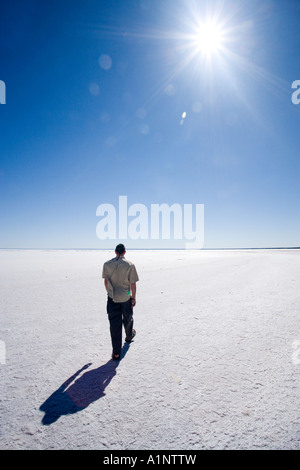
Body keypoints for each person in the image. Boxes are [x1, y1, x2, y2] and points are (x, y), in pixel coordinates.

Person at [102, 244, 139, 360]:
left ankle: (116, 353)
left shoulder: (107, 264)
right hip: (126, 295)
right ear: (125, 252)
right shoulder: (130, 265)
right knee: (128, 317)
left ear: (115, 251)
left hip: (112, 297)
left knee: (114, 325)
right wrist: (133, 297)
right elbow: (132, 284)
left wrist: (110, 294)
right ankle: (129, 336)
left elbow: (106, 282)